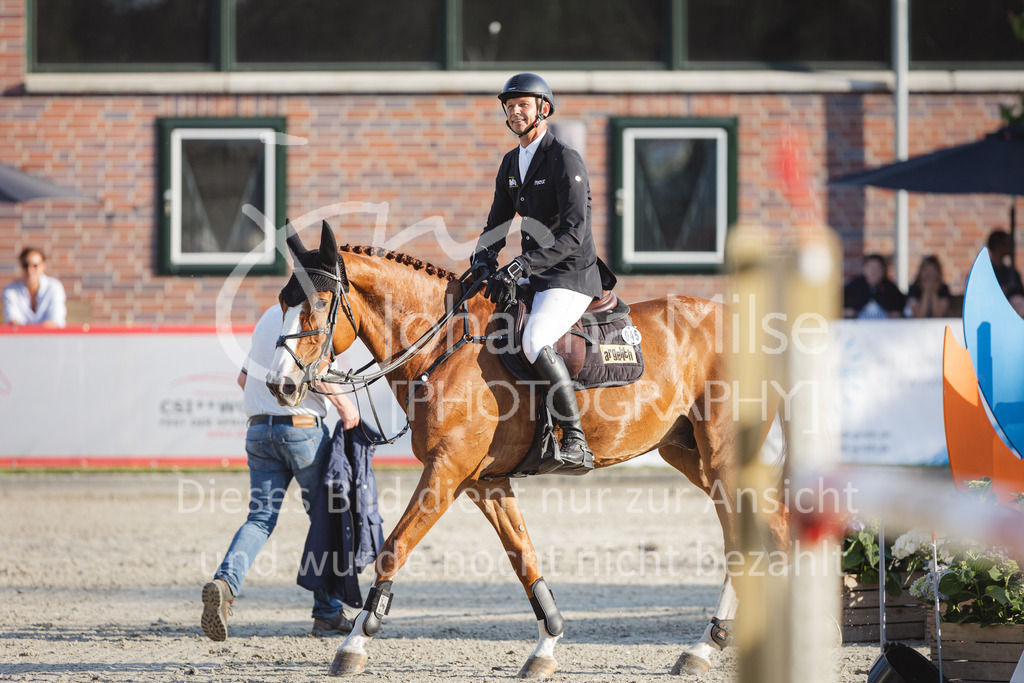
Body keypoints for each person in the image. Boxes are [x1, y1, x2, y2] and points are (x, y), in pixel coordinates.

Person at [469, 72, 614, 474]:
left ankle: (575, 440)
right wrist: (482, 259)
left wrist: (520, 265)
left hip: (572, 274)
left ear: (542, 110)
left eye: (523, 105)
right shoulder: (511, 162)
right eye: (510, 106)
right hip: (535, 273)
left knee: (534, 339)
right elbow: (496, 225)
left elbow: (574, 233)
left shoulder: (564, 158)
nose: (515, 112)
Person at [201, 305, 360, 642]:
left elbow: (243, 379)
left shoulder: (267, 317)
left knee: (259, 519)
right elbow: (317, 374)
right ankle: (328, 613)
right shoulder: (314, 318)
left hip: (258, 431)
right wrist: (348, 411)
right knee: (326, 519)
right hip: (302, 430)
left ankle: (225, 584)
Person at [2, 247, 66, 328]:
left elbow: (56, 321)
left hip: (51, 339)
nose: (30, 270)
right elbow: (13, 320)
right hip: (21, 340)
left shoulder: (54, 287)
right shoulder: (10, 290)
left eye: (35, 265)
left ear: (43, 266)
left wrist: (31, 333)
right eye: (26, 265)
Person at [843, 253, 906, 319]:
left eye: (877, 267)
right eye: (870, 267)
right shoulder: (854, 286)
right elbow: (840, 306)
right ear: (864, 268)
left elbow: (902, 308)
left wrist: (897, 313)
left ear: (883, 270)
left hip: (885, 327)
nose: (873, 271)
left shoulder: (891, 288)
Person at [986, 229, 1024, 316]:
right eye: (1006, 244)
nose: (1010, 247)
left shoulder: (1012, 273)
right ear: (997, 246)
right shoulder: (986, 273)